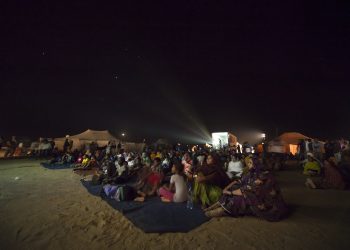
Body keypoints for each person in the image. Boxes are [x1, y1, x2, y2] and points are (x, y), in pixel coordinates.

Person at [204, 156, 288, 221]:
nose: (248, 164)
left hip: (268, 206)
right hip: (255, 195)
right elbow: (238, 181)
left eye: (251, 163)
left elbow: (246, 189)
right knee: (234, 189)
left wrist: (229, 192)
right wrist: (226, 189)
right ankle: (210, 208)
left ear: (257, 163)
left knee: (237, 199)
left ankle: (211, 213)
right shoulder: (253, 172)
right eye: (248, 162)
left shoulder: (263, 176)